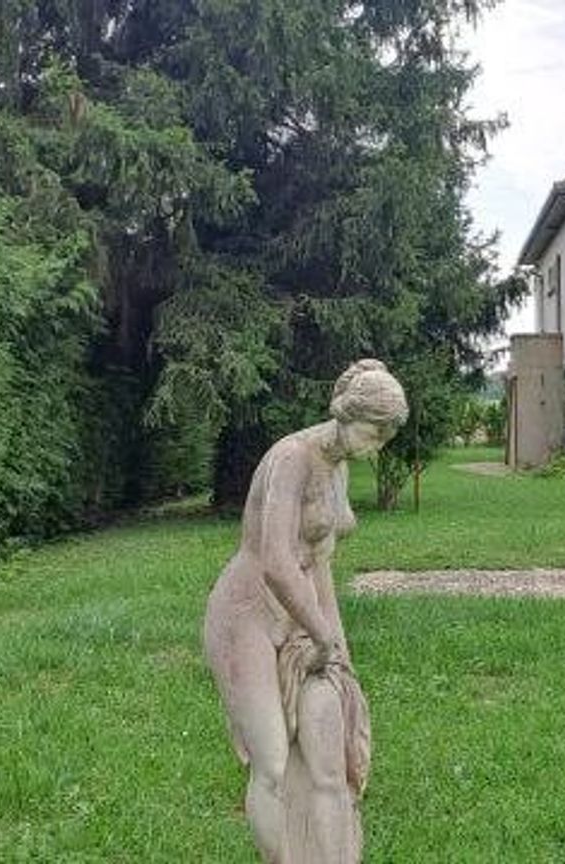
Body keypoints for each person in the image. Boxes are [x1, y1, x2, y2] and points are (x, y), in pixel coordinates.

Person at [204, 359, 406, 863]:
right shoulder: (293, 458)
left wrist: (336, 646)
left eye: (385, 437)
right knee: (271, 762)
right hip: (246, 612)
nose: (376, 447)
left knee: (322, 747)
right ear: (346, 413)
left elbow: (318, 566)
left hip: (299, 615)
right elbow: (275, 561)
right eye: (373, 433)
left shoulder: (336, 467)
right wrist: (320, 633)